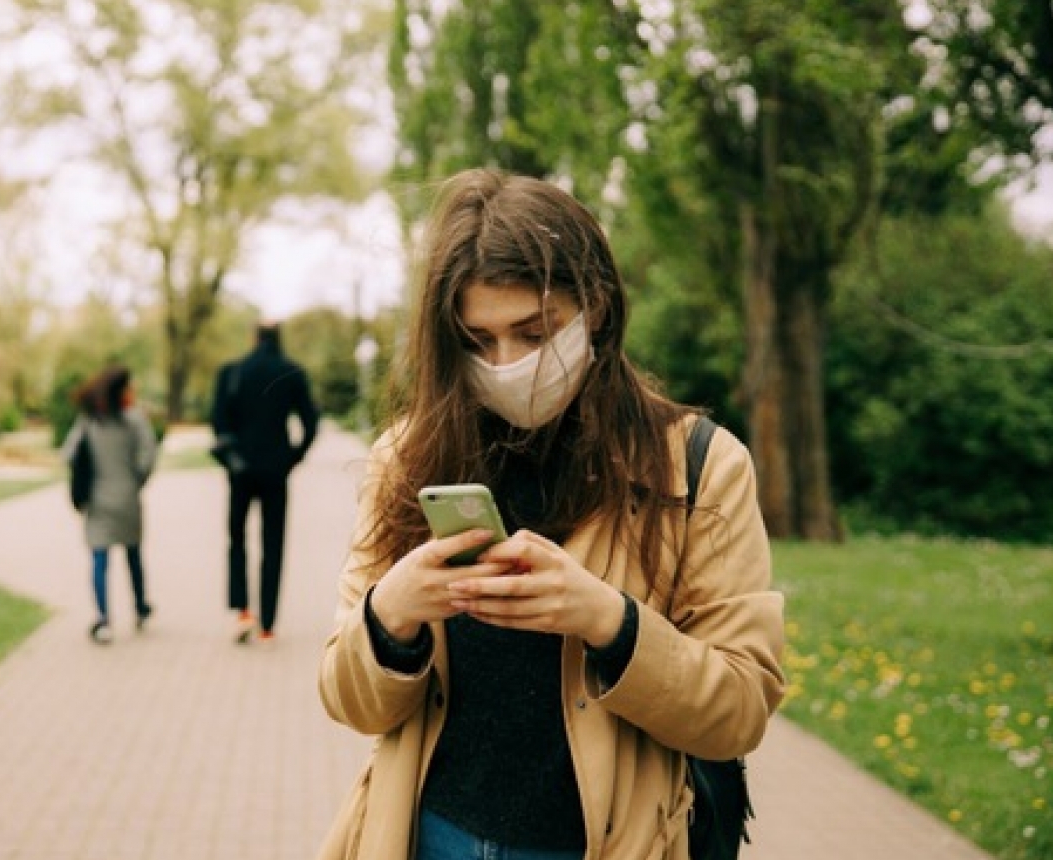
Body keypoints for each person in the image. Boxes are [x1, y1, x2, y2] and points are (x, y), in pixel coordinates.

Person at [316, 169, 786, 860]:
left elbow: (739, 709)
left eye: (534, 333)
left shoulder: (699, 465)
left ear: (594, 306)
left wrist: (607, 620)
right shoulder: (407, 459)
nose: (507, 364)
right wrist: (392, 614)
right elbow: (351, 702)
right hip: (427, 836)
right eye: (478, 341)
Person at [210, 321, 321, 644]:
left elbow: (218, 421)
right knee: (273, 544)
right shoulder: (292, 372)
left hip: (240, 470)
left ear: (254, 338)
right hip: (276, 469)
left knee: (237, 538)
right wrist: (293, 458)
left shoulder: (233, 372)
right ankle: (269, 623)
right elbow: (311, 424)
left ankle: (242, 609)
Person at [58, 365, 159, 645]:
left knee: (99, 560)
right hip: (127, 497)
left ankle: (103, 620)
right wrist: (137, 479)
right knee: (133, 555)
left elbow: (69, 453)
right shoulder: (134, 420)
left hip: (98, 500)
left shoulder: (90, 421)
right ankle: (140, 607)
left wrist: (86, 479)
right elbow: (149, 455)